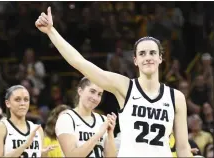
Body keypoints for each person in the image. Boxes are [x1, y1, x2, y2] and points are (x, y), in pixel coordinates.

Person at [35, 7, 192, 157]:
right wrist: (51, 32)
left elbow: (183, 148)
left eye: (152, 53)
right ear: (136, 60)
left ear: (160, 58)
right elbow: (79, 62)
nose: (148, 57)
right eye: (142, 54)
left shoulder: (176, 98)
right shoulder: (125, 87)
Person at [55, 77, 117, 157]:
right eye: (92, 91)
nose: (95, 98)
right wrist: (99, 134)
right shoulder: (66, 118)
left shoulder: (103, 120)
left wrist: (110, 133)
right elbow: (71, 155)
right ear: (80, 91)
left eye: (99, 94)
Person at [0, 85, 54, 157]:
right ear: (7, 103)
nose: (22, 103)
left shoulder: (37, 129)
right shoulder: (1, 128)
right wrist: (24, 146)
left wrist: (43, 154)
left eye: (26, 100)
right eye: (17, 99)